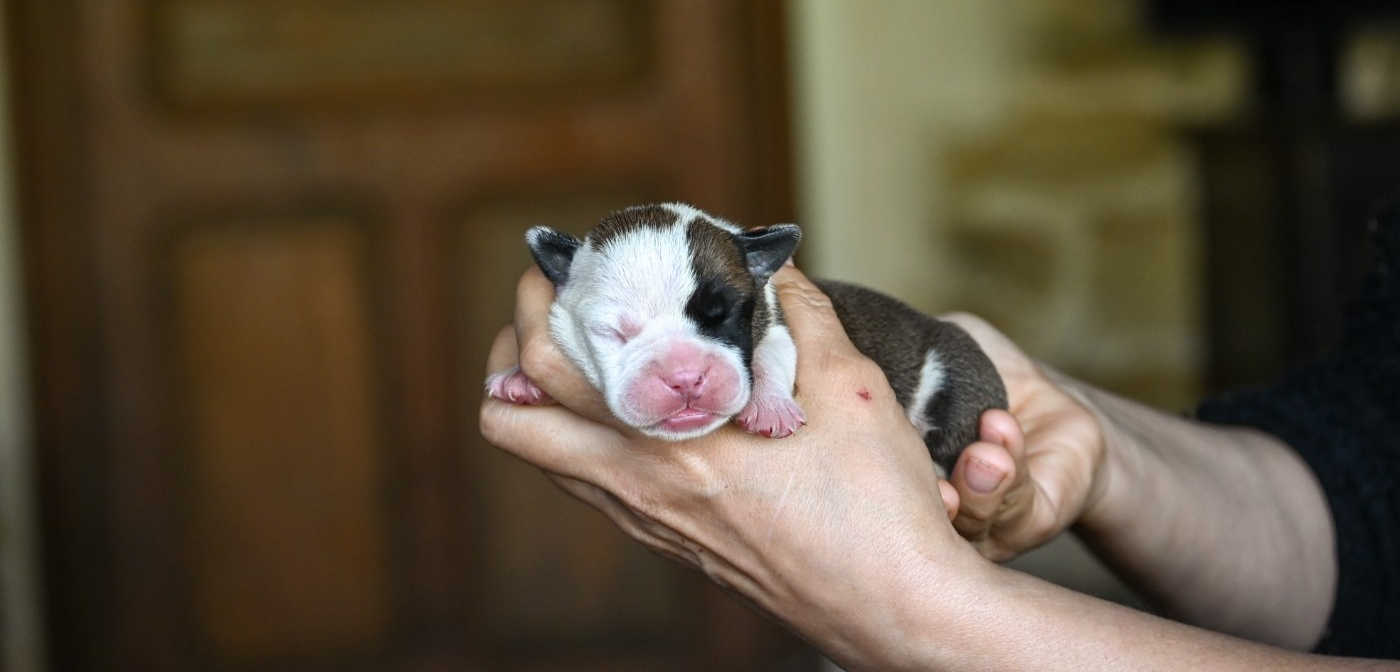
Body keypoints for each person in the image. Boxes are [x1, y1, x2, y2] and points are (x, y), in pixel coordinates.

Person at [479, 202, 1400, 670]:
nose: (680, 371)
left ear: (757, 277)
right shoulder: (583, 294)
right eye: (619, 332)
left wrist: (928, 616)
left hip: (930, 392)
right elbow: (1367, 482)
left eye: (715, 321)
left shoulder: (768, 313)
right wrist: (1103, 447)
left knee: (949, 377)